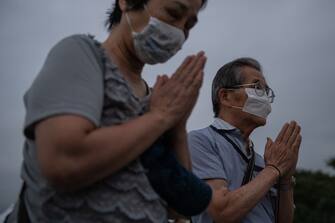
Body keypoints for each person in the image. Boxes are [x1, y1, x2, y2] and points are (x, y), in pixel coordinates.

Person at [5, 0, 211, 222]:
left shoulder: (158, 102)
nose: (179, 32)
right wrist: (160, 118)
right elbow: (63, 161)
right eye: (173, 13)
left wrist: (177, 126)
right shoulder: (80, 53)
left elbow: (179, 208)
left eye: (189, 25)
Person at [188, 58, 302, 223]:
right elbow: (222, 212)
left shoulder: (264, 160)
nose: (264, 96)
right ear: (225, 96)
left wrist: (285, 178)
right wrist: (274, 170)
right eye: (256, 87)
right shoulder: (200, 141)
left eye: (266, 90)